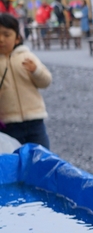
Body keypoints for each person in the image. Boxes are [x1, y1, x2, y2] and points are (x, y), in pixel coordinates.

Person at [0, 13, 52, 148]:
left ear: (17, 38)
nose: (1, 39)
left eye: (6, 35)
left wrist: (36, 71)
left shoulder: (27, 57)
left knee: (41, 157)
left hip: (34, 119)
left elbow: (45, 82)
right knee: (15, 160)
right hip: (8, 123)